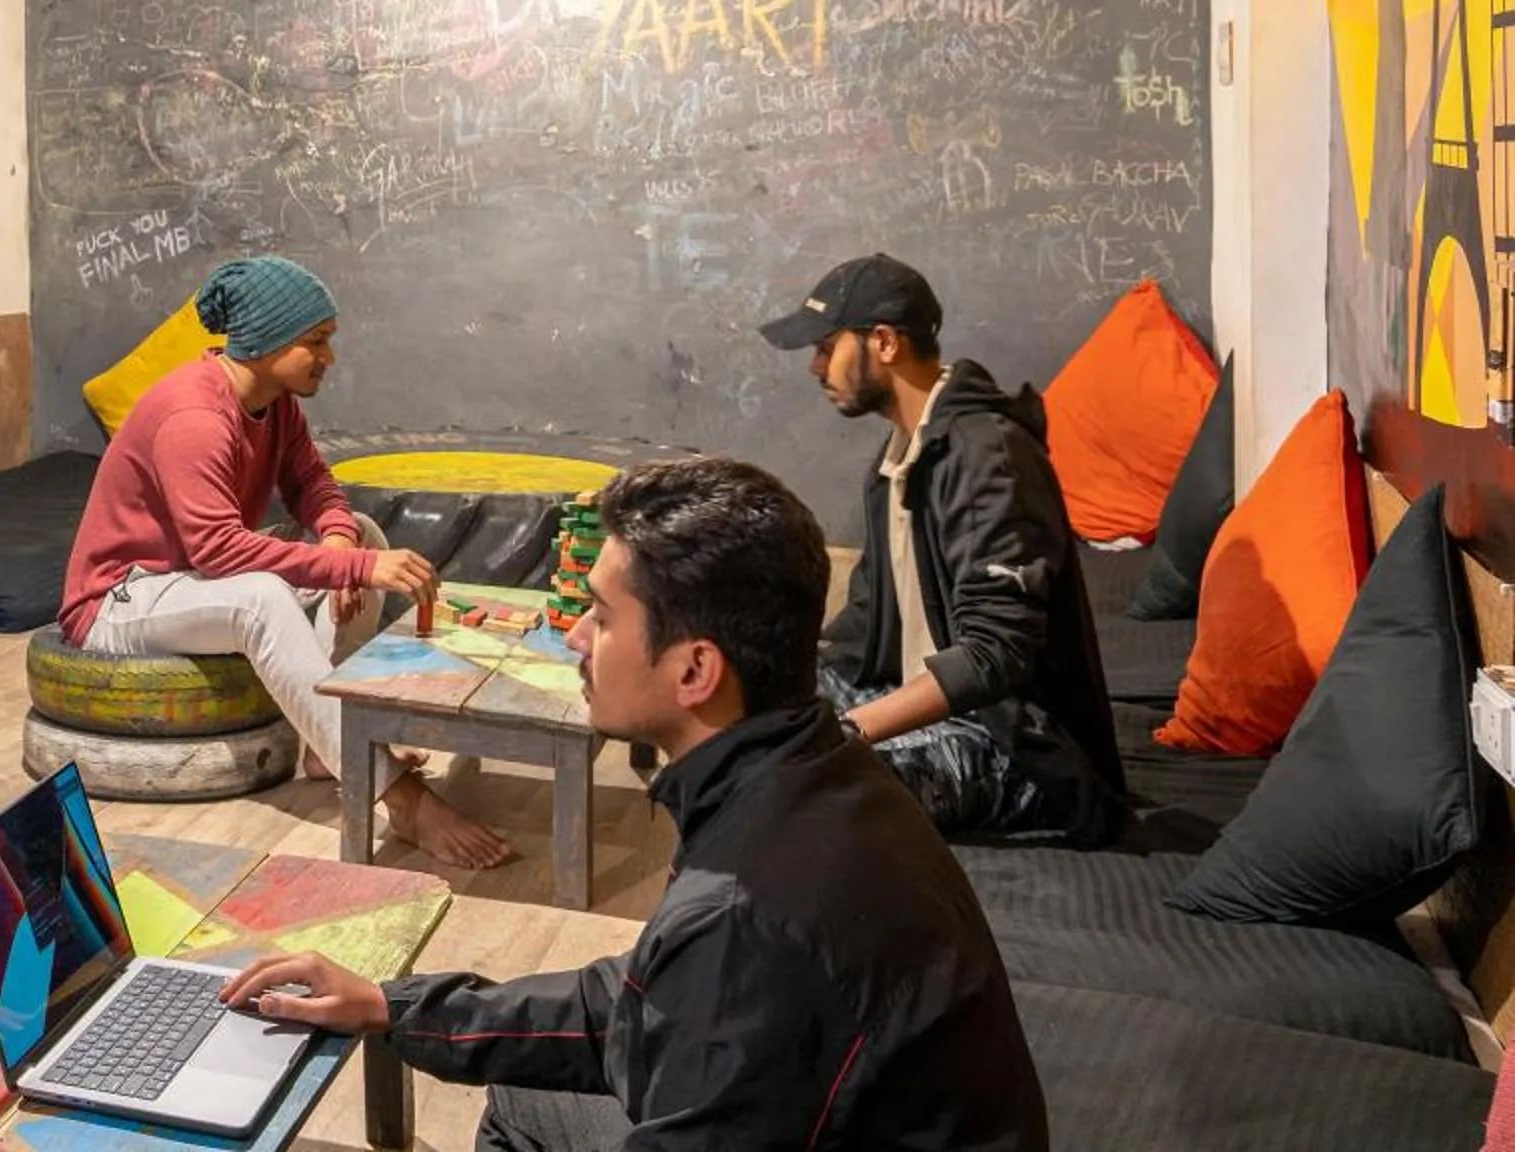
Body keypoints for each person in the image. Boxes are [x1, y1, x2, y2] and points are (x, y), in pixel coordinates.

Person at [222, 457, 1050, 1152]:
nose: (576, 637)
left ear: (695, 670)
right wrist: (394, 1004)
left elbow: (688, 1009)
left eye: (603, 617)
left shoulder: (744, 912)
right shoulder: (820, 771)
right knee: (523, 1103)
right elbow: (643, 1004)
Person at [59, 256, 510, 868]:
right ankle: (401, 800)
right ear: (267, 341)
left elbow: (316, 487)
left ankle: (331, 748)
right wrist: (348, 572)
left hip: (187, 581)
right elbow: (217, 549)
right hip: (119, 598)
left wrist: (342, 547)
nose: (329, 358)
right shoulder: (193, 415)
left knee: (364, 534)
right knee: (263, 598)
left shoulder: (274, 403)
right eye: (315, 343)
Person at [759, 253, 1124, 841]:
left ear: (882, 342)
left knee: (800, 781)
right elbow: (864, 623)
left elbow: (995, 655)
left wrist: (848, 729)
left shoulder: (987, 455)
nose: (815, 366)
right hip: (931, 701)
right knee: (744, 700)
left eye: (827, 346)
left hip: (1014, 746)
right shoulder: (901, 454)